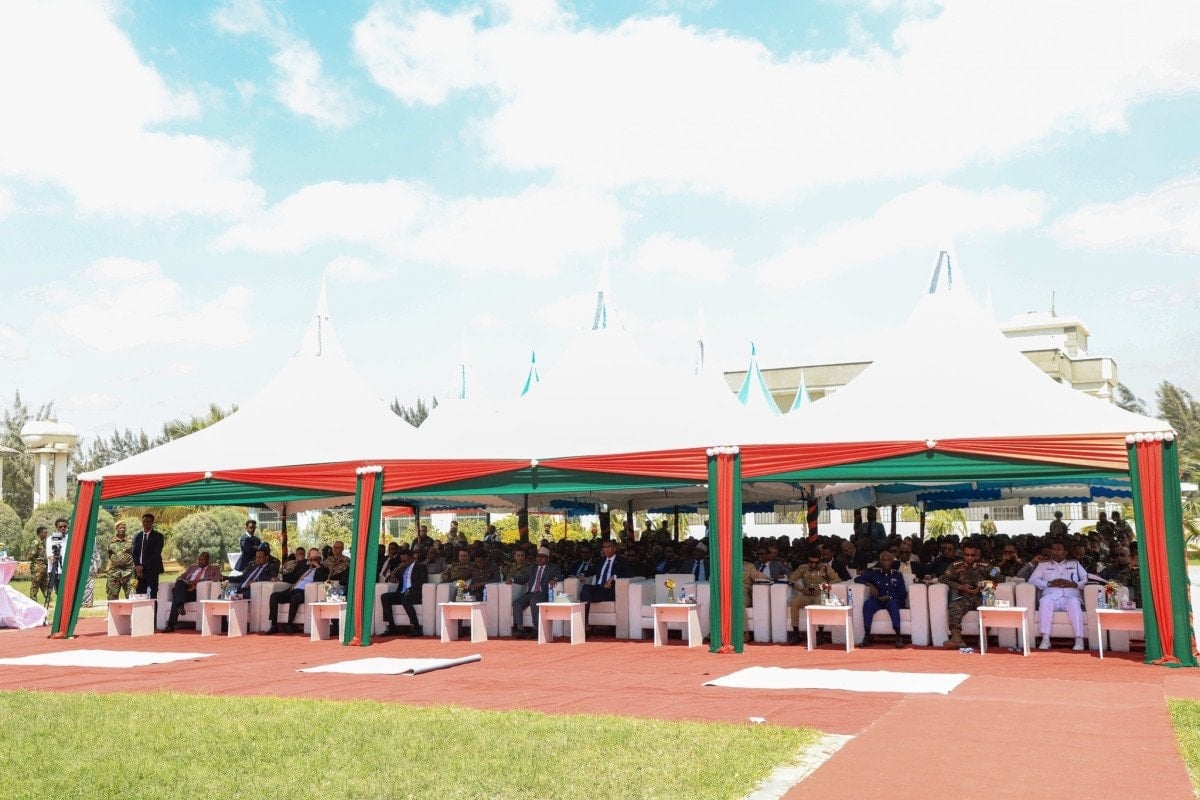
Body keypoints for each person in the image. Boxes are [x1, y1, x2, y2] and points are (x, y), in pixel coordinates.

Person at [1029, 540, 1087, 650]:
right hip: (1051, 596)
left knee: (1075, 603)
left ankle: (1079, 640)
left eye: (1059, 549)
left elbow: (1086, 579)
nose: (1055, 552)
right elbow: (1032, 580)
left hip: (1070, 596)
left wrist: (1074, 584)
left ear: (1065, 552)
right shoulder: (1043, 565)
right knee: (1044, 601)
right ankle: (1045, 639)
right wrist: (1049, 583)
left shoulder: (1075, 564)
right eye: (1053, 549)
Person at [939, 543, 997, 648]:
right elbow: (943, 579)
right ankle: (957, 639)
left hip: (982, 597)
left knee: (988, 607)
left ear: (977, 554)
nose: (969, 557)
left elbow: (1000, 577)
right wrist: (960, 586)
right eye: (967, 555)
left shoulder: (985, 566)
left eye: (972, 555)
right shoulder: (956, 565)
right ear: (962, 554)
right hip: (965, 598)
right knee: (954, 606)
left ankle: (983, 639)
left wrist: (983, 584)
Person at [266, 548, 328, 634]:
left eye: (315, 559)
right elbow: (293, 576)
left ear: (320, 559)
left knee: (294, 598)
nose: (313, 561)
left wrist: (317, 566)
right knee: (274, 596)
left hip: (305, 592)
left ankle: (289, 625)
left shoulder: (323, 569)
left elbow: (323, 578)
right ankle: (274, 625)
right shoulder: (304, 566)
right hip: (294, 589)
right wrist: (280, 578)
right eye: (311, 559)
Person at [855, 550, 908, 648]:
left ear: (892, 561)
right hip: (878, 600)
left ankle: (898, 636)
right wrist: (870, 585)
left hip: (894, 600)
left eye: (889, 560)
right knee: (868, 604)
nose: (886, 562)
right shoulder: (874, 573)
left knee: (892, 603)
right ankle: (867, 636)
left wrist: (890, 596)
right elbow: (857, 579)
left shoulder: (897, 575)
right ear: (880, 561)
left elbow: (903, 593)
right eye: (884, 560)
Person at [786, 549, 838, 645]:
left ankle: (820, 634)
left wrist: (821, 588)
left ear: (819, 560)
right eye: (811, 562)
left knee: (820, 602)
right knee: (795, 603)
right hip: (806, 594)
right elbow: (791, 579)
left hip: (820, 593)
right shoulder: (802, 568)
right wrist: (802, 589)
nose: (813, 564)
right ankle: (796, 634)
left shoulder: (825, 567)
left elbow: (836, 579)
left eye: (816, 562)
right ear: (808, 559)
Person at [509, 546, 563, 638]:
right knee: (516, 603)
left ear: (547, 559)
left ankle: (536, 629)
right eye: (538, 556)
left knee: (534, 600)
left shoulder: (552, 568)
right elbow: (523, 578)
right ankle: (519, 629)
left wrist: (555, 579)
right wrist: (512, 580)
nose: (539, 558)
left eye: (542, 556)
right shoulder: (532, 568)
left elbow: (560, 575)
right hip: (531, 593)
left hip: (543, 593)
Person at [163, 552, 222, 632]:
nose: (200, 561)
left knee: (176, 595)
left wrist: (197, 582)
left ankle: (171, 625)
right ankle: (180, 604)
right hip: (186, 589)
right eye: (199, 560)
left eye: (202, 560)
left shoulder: (214, 568)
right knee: (179, 583)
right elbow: (180, 577)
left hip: (196, 592)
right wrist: (188, 583)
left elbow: (218, 578)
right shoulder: (192, 567)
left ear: (208, 560)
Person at [580, 540, 633, 629]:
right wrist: (582, 574)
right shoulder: (600, 561)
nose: (606, 549)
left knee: (586, 595)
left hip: (610, 590)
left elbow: (630, 574)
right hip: (598, 588)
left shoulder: (621, 561)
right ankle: (585, 621)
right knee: (586, 588)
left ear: (614, 548)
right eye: (604, 547)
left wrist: (613, 577)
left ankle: (584, 622)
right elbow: (590, 571)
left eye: (608, 547)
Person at [380, 548, 427, 637]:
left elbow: (422, 582)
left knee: (406, 599)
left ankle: (416, 628)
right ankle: (392, 627)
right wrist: (393, 578)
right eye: (402, 561)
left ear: (411, 558)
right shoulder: (402, 568)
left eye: (405, 561)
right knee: (384, 597)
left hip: (414, 593)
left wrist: (410, 588)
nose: (403, 563)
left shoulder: (421, 567)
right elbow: (393, 577)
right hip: (402, 593)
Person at [132, 513, 165, 598]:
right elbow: (134, 552)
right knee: (139, 593)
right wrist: (137, 566)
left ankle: (153, 607)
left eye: (148, 522)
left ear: (152, 522)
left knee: (152, 593)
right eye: (144, 521)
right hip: (139, 571)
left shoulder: (158, 536)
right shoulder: (138, 536)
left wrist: (143, 567)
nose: (146, 523)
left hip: (152, 569)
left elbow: (156, 554)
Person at [106, 521, 135, 600]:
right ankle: (112, 608)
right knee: (112, 594)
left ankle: (131, 608)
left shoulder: (131, 540)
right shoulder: (111, 541)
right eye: (120, 528)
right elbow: (109, 554)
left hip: (128, 571)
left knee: (131, 594)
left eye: (124, 528)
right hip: (114, 572)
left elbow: (135, 553)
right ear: (116, 529)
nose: (122, 529)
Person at [28, 526, 50, 607]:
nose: (46, 534)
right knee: (35, 584)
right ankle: (33, 602)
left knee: (45, 584)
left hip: (44, 567)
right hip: (37, 567)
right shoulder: (36, 542)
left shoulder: (44, 542)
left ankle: (48, 601)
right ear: (40, 533)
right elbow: (30, 555)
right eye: (45, 533)